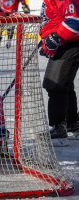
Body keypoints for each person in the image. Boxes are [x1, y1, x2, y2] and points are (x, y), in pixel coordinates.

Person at [39, 0, 79, 146]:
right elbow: (54, 17)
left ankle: (58, 129)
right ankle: (72, 124)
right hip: (67, 43)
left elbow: (75, 20)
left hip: (68, 44)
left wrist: (55, 38)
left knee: (54, 84)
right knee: (65, 85)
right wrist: (48, 37)